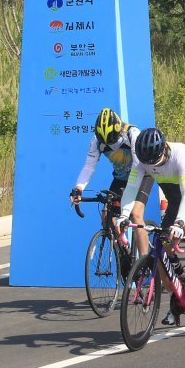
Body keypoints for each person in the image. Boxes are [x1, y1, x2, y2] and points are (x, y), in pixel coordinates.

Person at [116, 128, 185, 327]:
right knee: (161, 249)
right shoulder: (142, 161)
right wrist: (124, 216)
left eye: (156, 162)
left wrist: (179, 222)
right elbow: (132, 189)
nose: (152, 166)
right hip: (176, 202)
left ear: (164, 150)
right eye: (148, 164)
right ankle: (177, 297)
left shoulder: (182, 154)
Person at [71, 108, 150, 257]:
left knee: (135, 214)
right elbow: (89, 166)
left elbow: (137, 167)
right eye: (105, 142)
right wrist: (79, 188)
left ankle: (144, 262)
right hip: (120, 178)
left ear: (119, 130)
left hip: (142, 175)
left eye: (113, 140)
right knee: (107, 216)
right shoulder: (96, 141)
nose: (110, 145)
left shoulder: (132, 134)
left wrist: (127, 201)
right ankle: (123, 254)